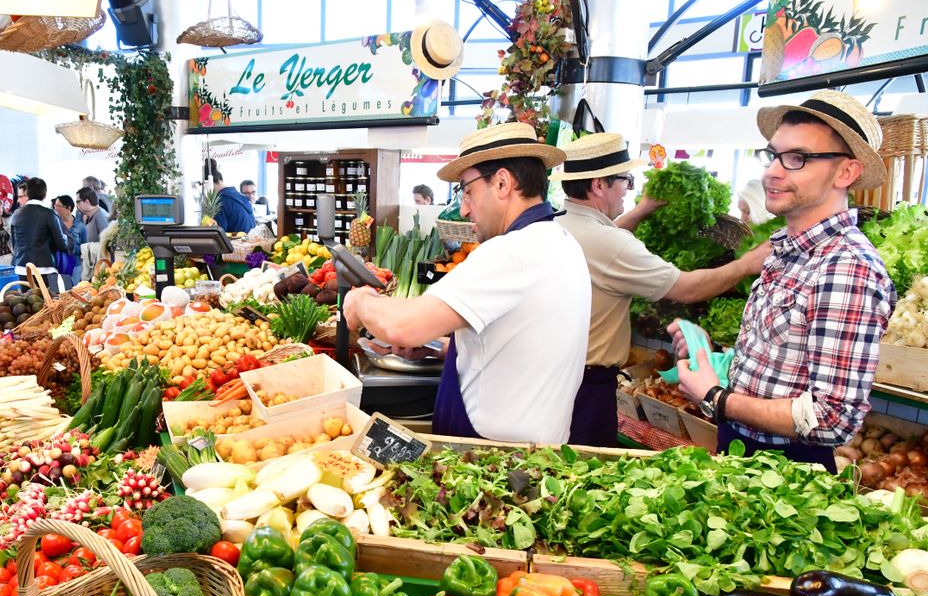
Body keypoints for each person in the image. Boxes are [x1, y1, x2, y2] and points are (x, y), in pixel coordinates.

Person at [672, 90, 895, 470]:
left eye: (798, 159)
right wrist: (708, 355)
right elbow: (781, 368)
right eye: (773, 155)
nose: (773, 171)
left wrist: (714, 396)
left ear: (846, 172)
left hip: (789, 473)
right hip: (742, 453)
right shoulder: (785, 251)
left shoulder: (846, 267)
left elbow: (830, 418)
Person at [342, 122, 591, 443]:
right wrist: (441, 349)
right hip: (531, 451)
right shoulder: (561, 242)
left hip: (492, 457)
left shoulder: (512, 252)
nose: (463, 208)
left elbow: (403, 326)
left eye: (468, 190)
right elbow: (520, 349)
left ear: (502, 182)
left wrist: (361, 301)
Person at [553, 132, 768, 447]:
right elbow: (685, 289)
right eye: (626, 180)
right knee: (586, 465)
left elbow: (603, 238)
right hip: (588, 385)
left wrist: (641, 211)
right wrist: (746, 264)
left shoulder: (558, 223)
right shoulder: (609, 242)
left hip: (560, 376)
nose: (630, 190)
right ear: (600, 185)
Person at [11, 176, 67, 292]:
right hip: (45, 266)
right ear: (45, 194)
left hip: (22, 267)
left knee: (28, 304)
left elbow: (14, 243)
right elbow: (61, 243)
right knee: (51, 303)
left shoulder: (16, 214)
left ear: (28, 193)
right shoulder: (49, 214)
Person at [76, 186, 110, 281]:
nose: (76, 205)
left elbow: (107, 244)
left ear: (86, 202)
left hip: (98, 270)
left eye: (78, 202)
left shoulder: (100, 216)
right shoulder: (91, 216)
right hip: (92, 267)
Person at [53, 195, 85, 286]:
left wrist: (73, 247)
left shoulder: (80, 226)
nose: (56, 208)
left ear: (68, 208)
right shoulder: (54, 223)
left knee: (74, 292)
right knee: (59, 293)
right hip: (58, 264)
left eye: (59, 206)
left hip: (76, 265)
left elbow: (84, 248)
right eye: (55, 205)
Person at [210, 169, 256, 234]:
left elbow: (220, 234)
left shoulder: (220, 200)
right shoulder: (239, 196)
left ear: (208, 183)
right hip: (251, 241)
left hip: (237, 243)